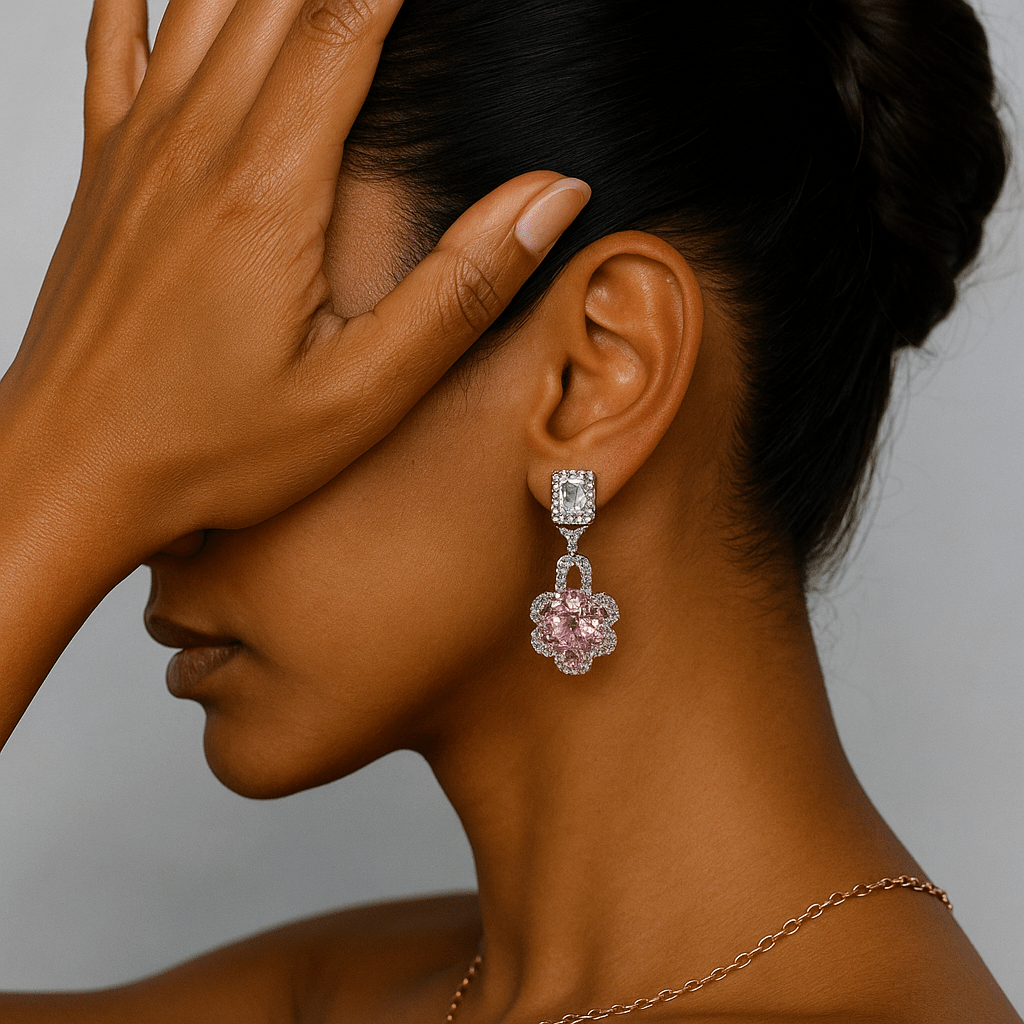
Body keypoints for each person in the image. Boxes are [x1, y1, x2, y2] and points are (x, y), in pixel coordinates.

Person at [0, 0, 1020, 1021]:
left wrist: (51, 469)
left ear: (593, 377)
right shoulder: (358, 992)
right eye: (137, 394)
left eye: (252, 361)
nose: (147, 511)